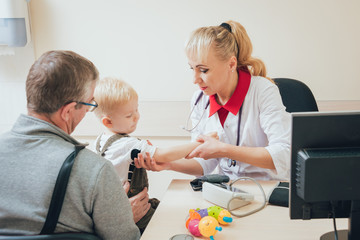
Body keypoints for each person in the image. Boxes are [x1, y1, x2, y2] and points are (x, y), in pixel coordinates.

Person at [0, 51, 140, 239]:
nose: (88, 111)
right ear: (67, 111)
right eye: (89, 104)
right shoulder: (95, 171)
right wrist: (124, 218)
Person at [135, 20, 291, 181]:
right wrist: (169, 164)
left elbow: (283, 154)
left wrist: (224, 150)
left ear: (231, 64)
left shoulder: (262, 91)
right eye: (192, 69)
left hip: (268, 189)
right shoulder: (200, 100)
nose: (195, 80)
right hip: (227, 189)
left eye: (203, 70)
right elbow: (203, 164)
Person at [92, 77, 217, 233]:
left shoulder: (100, 141)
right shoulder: (128, 145)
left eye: (136, 109)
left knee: (162, 207)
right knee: (170, 225)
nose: (137, 117)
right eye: (129, 115)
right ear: (108, 122)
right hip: (135, 211)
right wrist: (199, 144)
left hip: (122, 204)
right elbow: (164, 155)